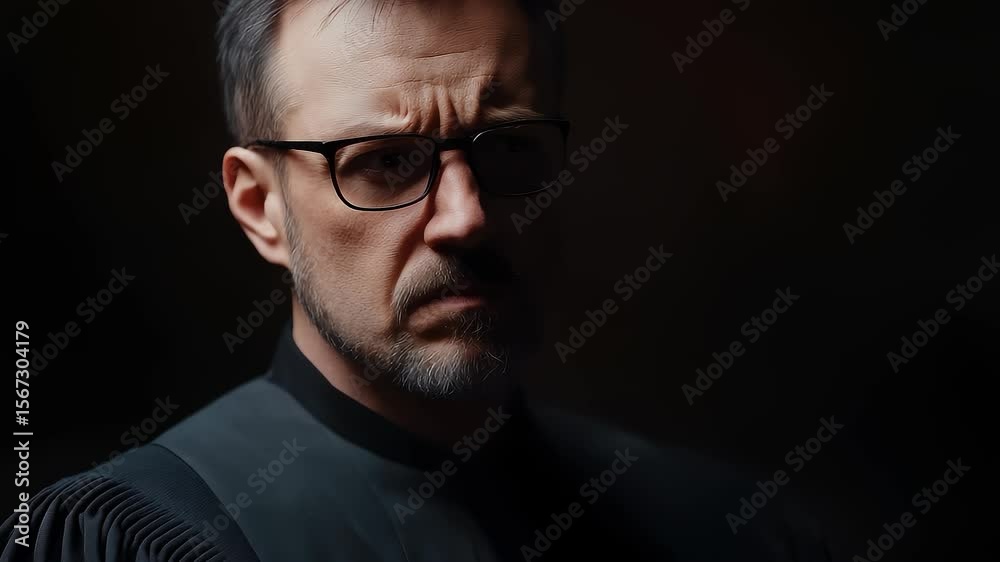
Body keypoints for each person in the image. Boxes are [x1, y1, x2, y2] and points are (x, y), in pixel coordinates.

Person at [2, 0, 834, 560]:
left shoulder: (722, 525)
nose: (465, 218)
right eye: (386, 162)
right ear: (261, 208)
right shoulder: (139, 538)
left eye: (507, 148)